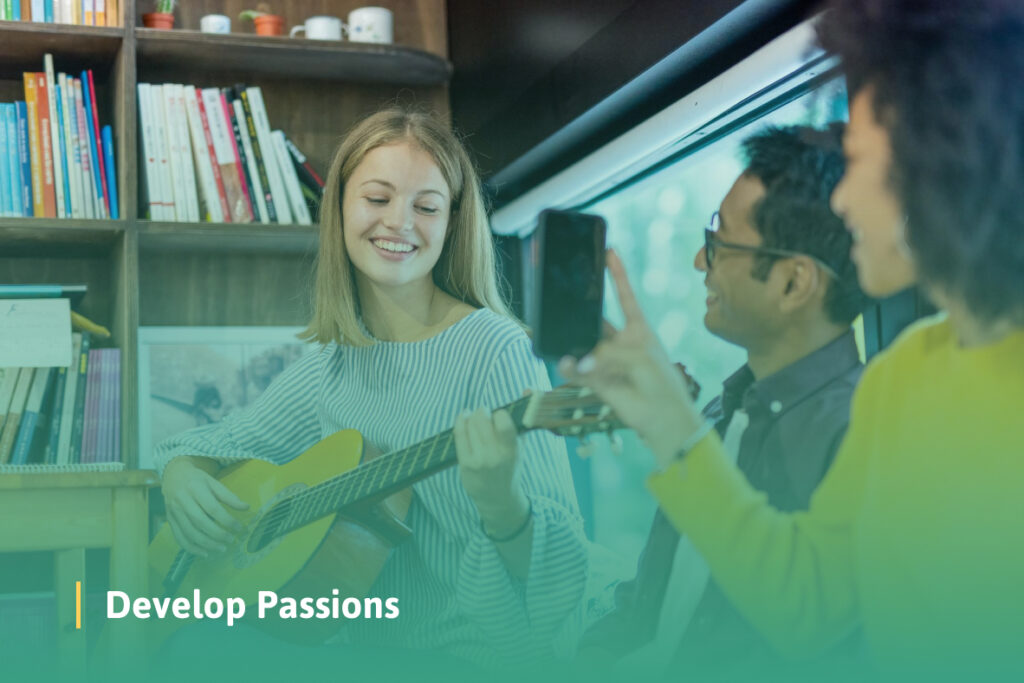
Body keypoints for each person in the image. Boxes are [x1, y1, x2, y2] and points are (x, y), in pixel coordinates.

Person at [560, 0, 1024, 676]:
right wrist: (667, 419)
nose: (842, 200)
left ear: (937, 158)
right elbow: (807, 603)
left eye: (861, 161)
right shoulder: (906, 373)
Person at [153, 109, 587, 672]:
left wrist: (502, 503)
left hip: (477, 661)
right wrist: (181, 471)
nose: (399, 223)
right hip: (364, 657)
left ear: (452, 225)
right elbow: (220, 441)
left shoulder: (495, 348)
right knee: (184, 646)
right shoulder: (328, 367)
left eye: (426, 207)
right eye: (377, 199)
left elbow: (560, 580)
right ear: (338, 208)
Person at [580, 124, 867, 677]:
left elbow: (812, 634)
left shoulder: (862, 432)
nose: (698, 261)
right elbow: (648, 607)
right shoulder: (715, 417)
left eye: (720, 243)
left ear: (793, 284)